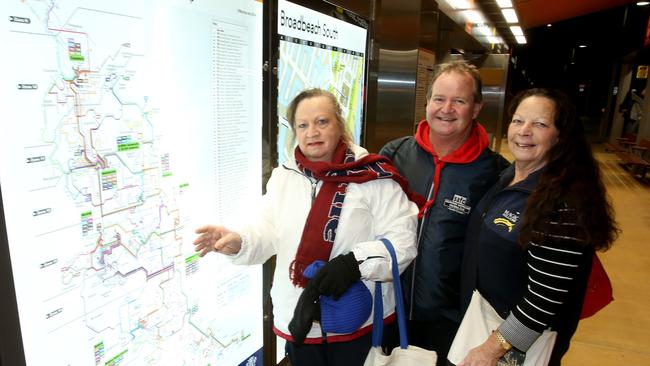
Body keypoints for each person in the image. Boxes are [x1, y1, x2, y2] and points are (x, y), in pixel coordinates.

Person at [193, 88, 419, 366]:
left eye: (322, 122)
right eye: (303, 125)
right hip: (301, 321)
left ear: (339, 124)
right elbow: (267, 229)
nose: (312, 132)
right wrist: (239, 241)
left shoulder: (374, 176)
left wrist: (354, 264)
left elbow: (403, 242)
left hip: (359, 322)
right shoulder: (284, 177)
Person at [458, 88, 620, 366]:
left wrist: (490, 349)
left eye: (540, 124)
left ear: (560, 136)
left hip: (512, 344)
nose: (524, 131)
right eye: (518, 120)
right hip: (482, 322)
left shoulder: (562, 204)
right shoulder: (509, 177)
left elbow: (544, 298)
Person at [379, 60, 507, 365]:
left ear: (476, 108)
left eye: (459, 101)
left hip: (453, 323)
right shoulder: (393, 156)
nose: (446, 109)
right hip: (387, 311)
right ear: (427, 102)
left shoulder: (496, 174)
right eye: (439, 99)